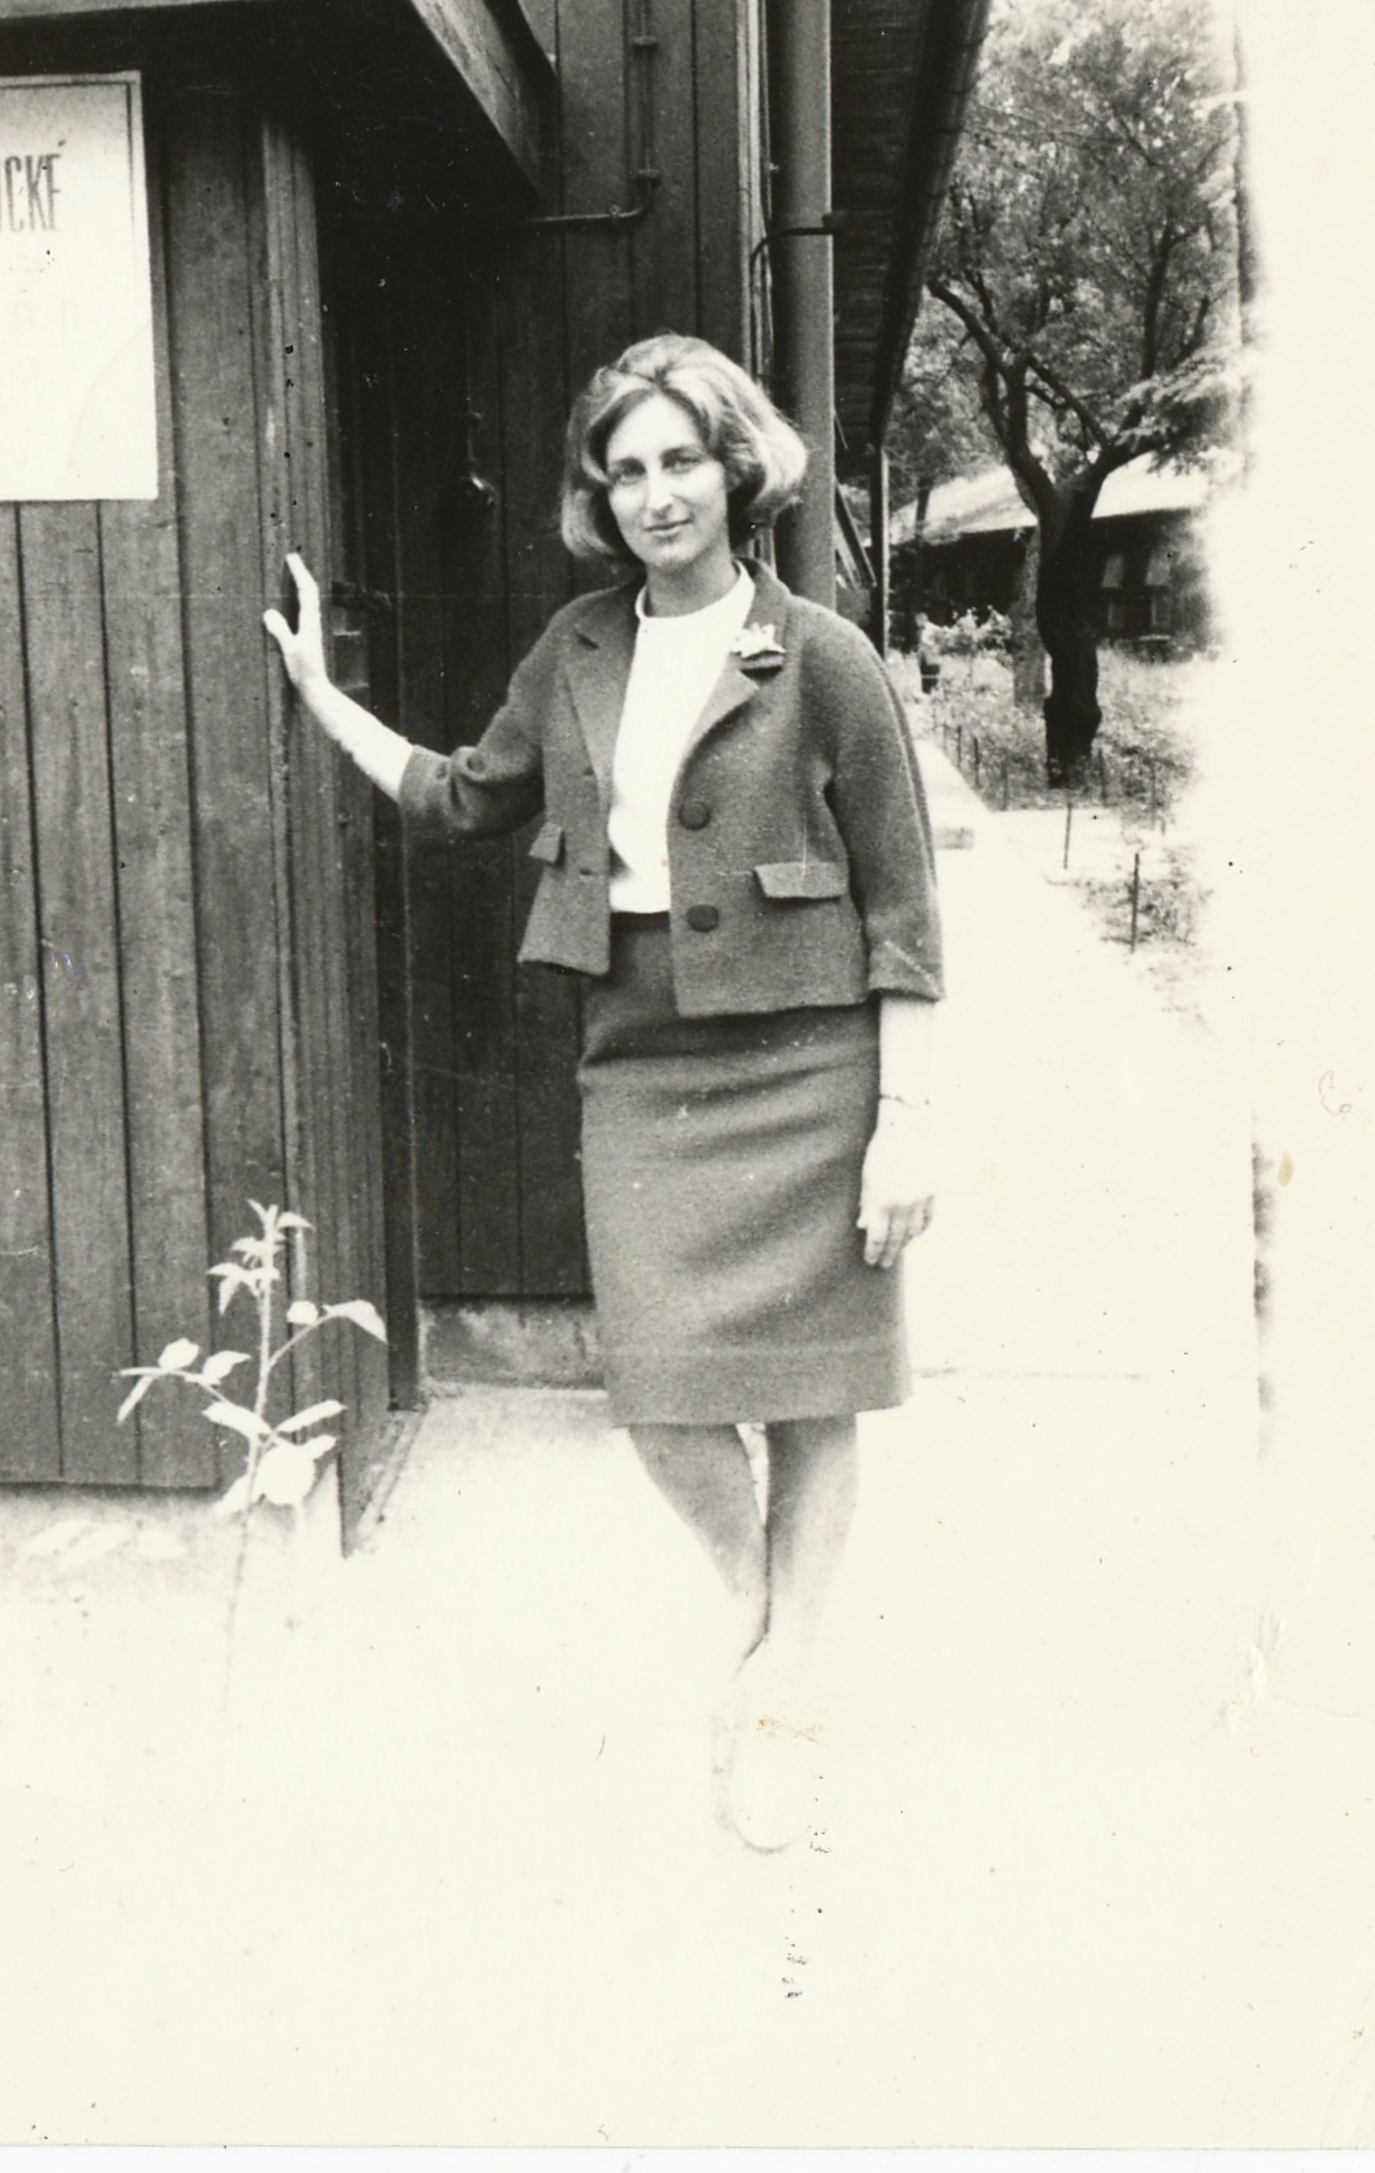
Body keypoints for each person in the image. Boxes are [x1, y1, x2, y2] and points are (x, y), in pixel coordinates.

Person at [265, 334, 942, 1849]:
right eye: (625, 470)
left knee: (813, 1395)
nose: (655, 494)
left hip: (813, 1061)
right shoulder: (576, 647)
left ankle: (782, 1693)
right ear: (602, 497)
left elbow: (905, 914)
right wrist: (322, 698)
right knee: (658, 1392)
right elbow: (463, 795)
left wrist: (904, 1123)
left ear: (736, 470)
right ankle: (769, 1629)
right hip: (638, 1058)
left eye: (681, 460)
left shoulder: (826, 658)